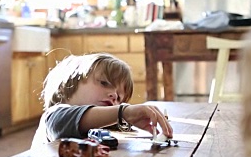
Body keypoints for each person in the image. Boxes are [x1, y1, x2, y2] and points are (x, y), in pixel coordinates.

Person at [31, 53, 173, 148]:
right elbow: (60, 123)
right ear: (66, 84)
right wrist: (123, 112)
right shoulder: (54, 114)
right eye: (104, 83)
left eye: (119, 98)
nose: (113, 95)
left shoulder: (100, 124)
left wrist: (130, 121)